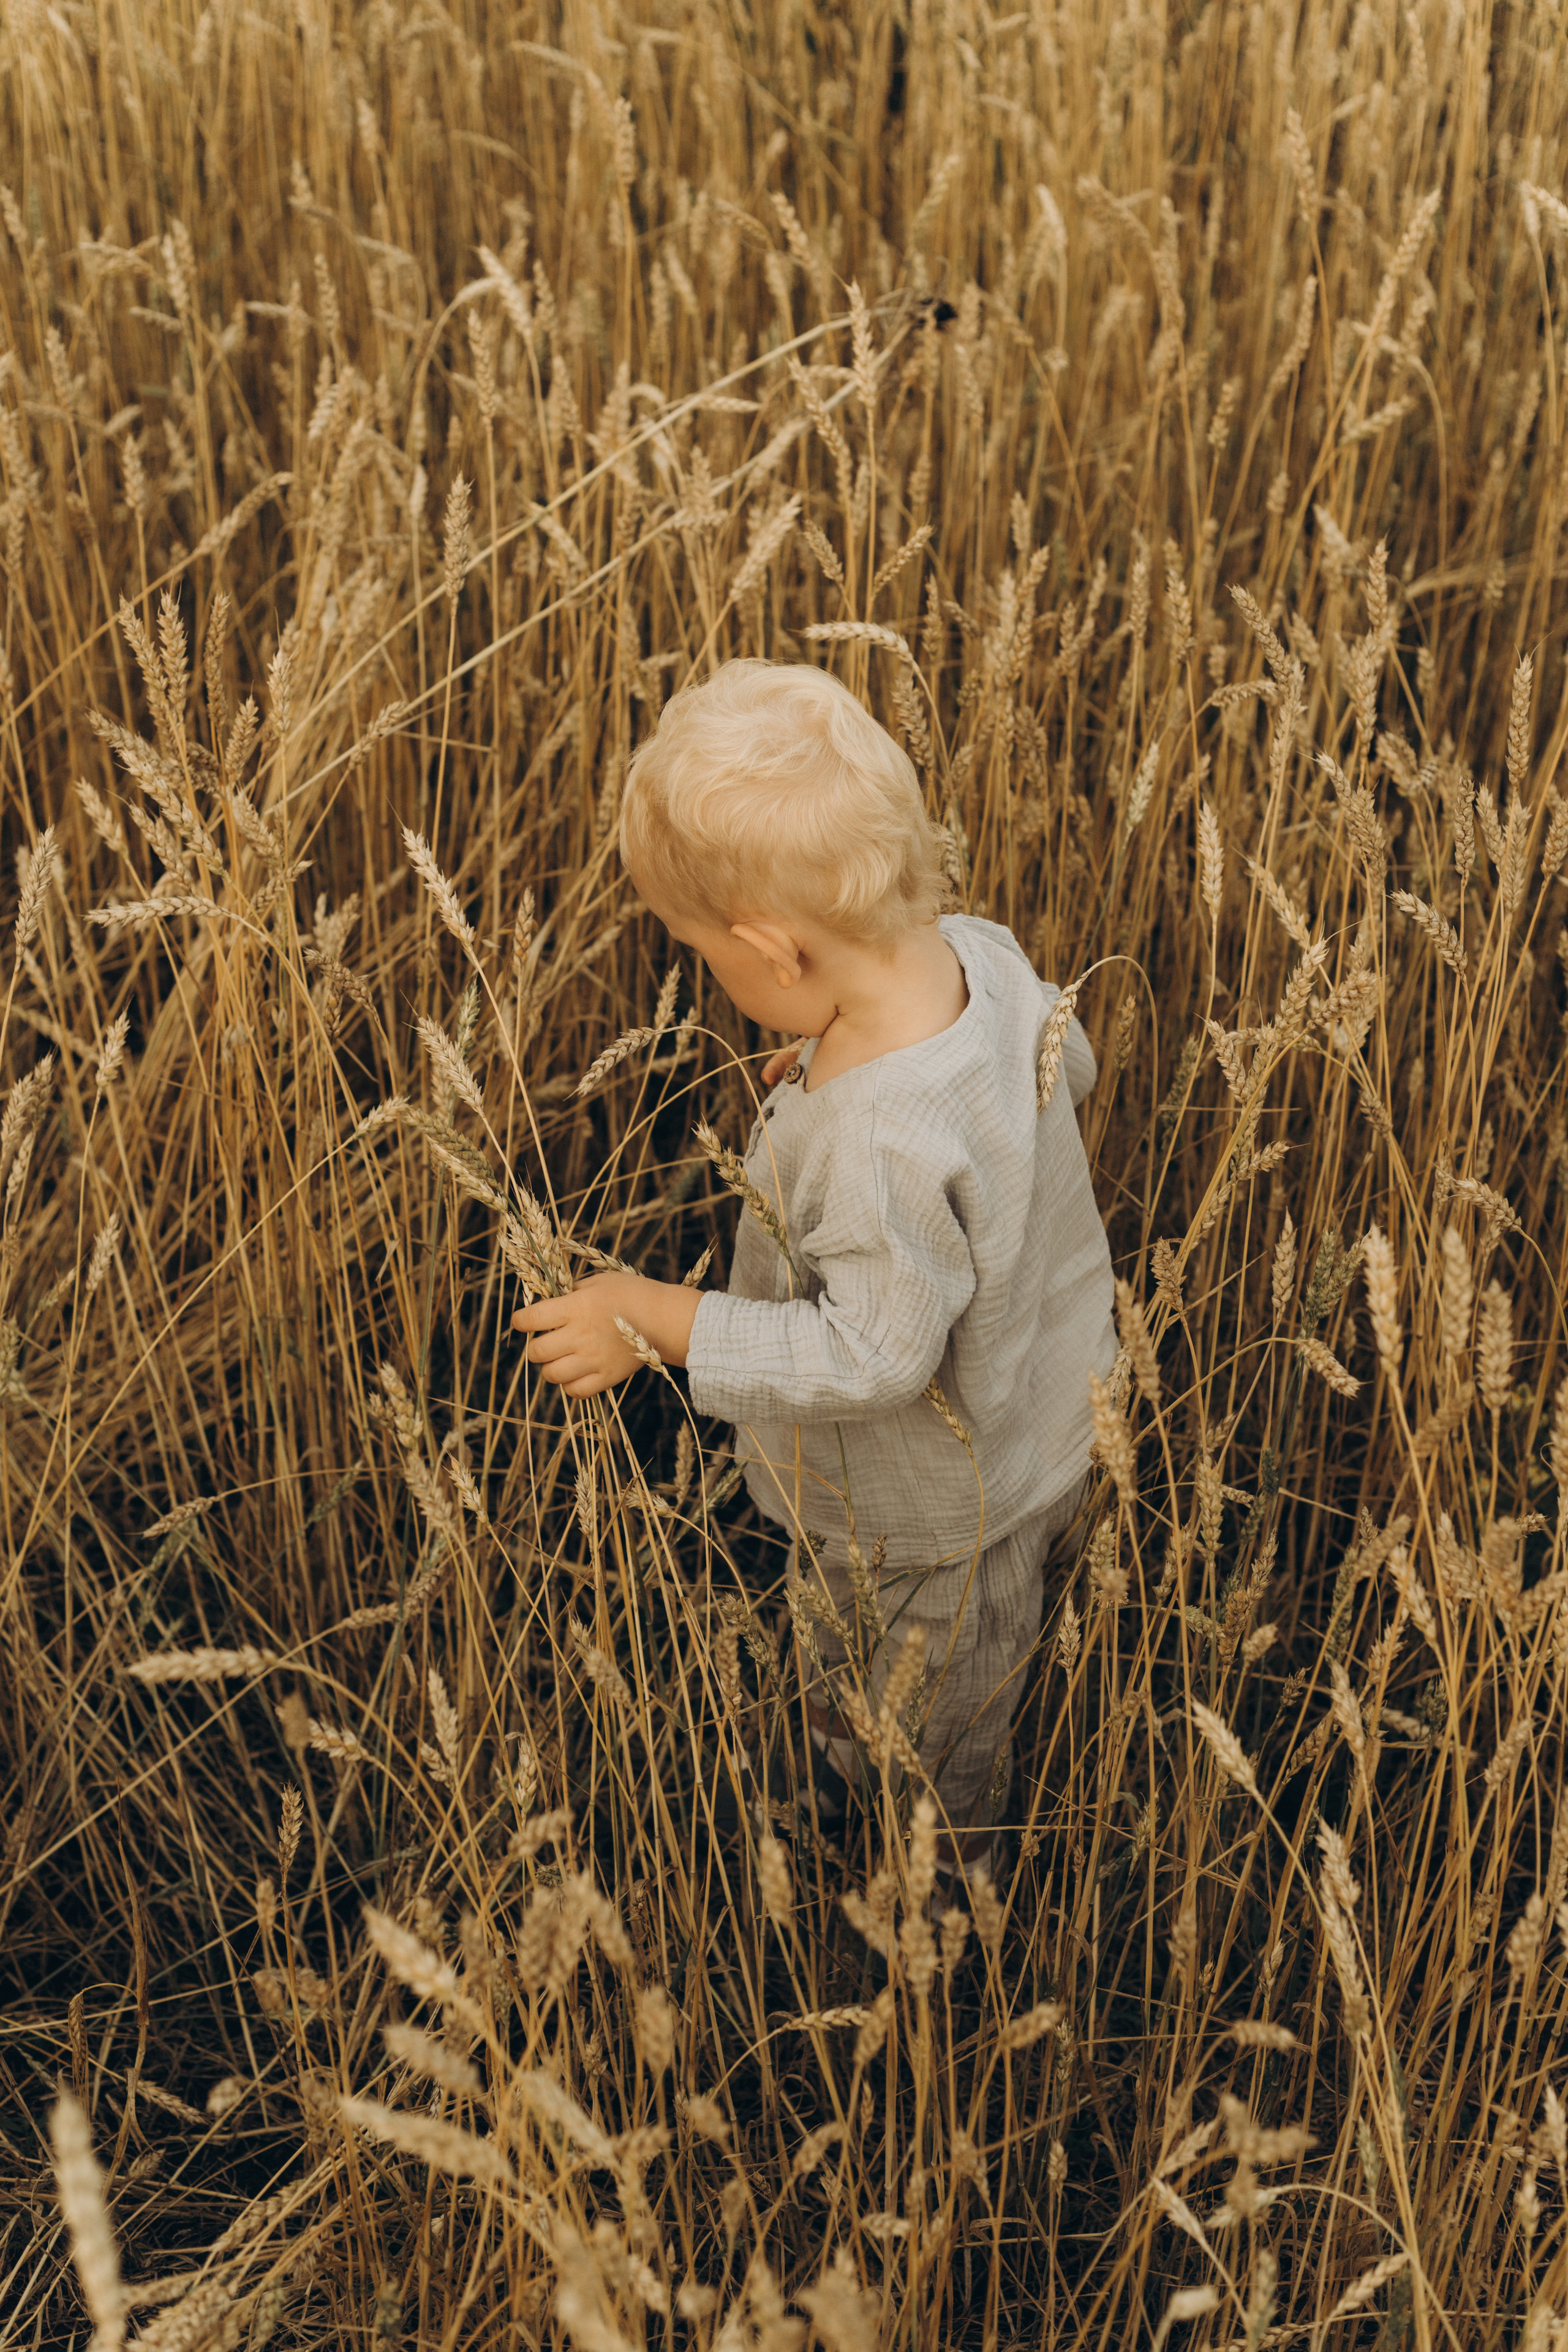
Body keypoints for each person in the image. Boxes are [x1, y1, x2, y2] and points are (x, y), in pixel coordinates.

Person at [511, 658, 1114, 1893]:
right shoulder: (978, 957)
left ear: (772, 951)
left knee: (927, 1729)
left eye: (700, 956)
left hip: (930, 1516)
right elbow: (1073, 1066)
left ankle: (937, 1906)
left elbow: (877, 1355)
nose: (710, 983)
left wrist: (661, 1320)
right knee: (975, 1644)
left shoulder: (874, 1138)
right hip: (1049, 1402)